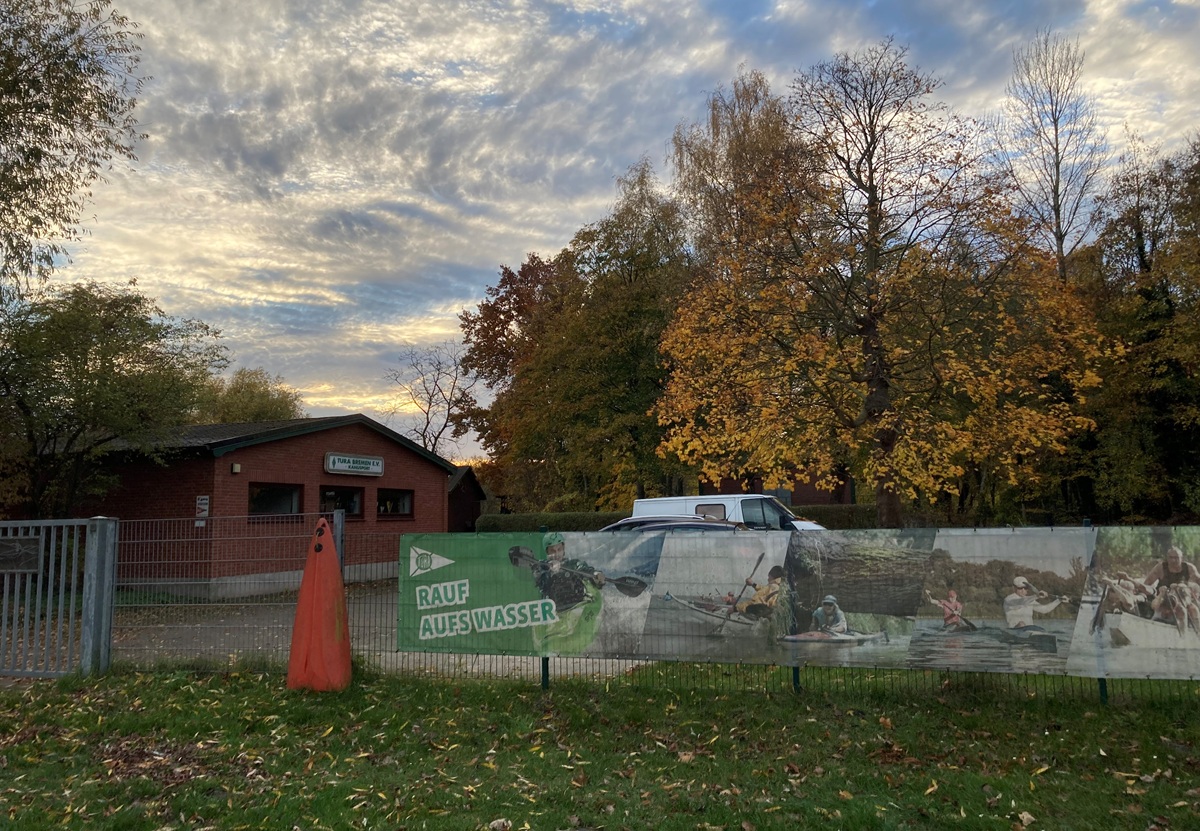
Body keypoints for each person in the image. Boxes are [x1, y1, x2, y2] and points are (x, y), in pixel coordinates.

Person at [533, 531, 605, 612]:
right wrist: (551, 569)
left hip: (577, 609)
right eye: (552, 551)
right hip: (555, 613)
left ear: (563, 549)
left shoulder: (573, 564)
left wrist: (595, 575)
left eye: (559, 549)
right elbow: (540, 579)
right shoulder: (541, 566)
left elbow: (583, 569)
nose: (556, 554)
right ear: (547, 552)